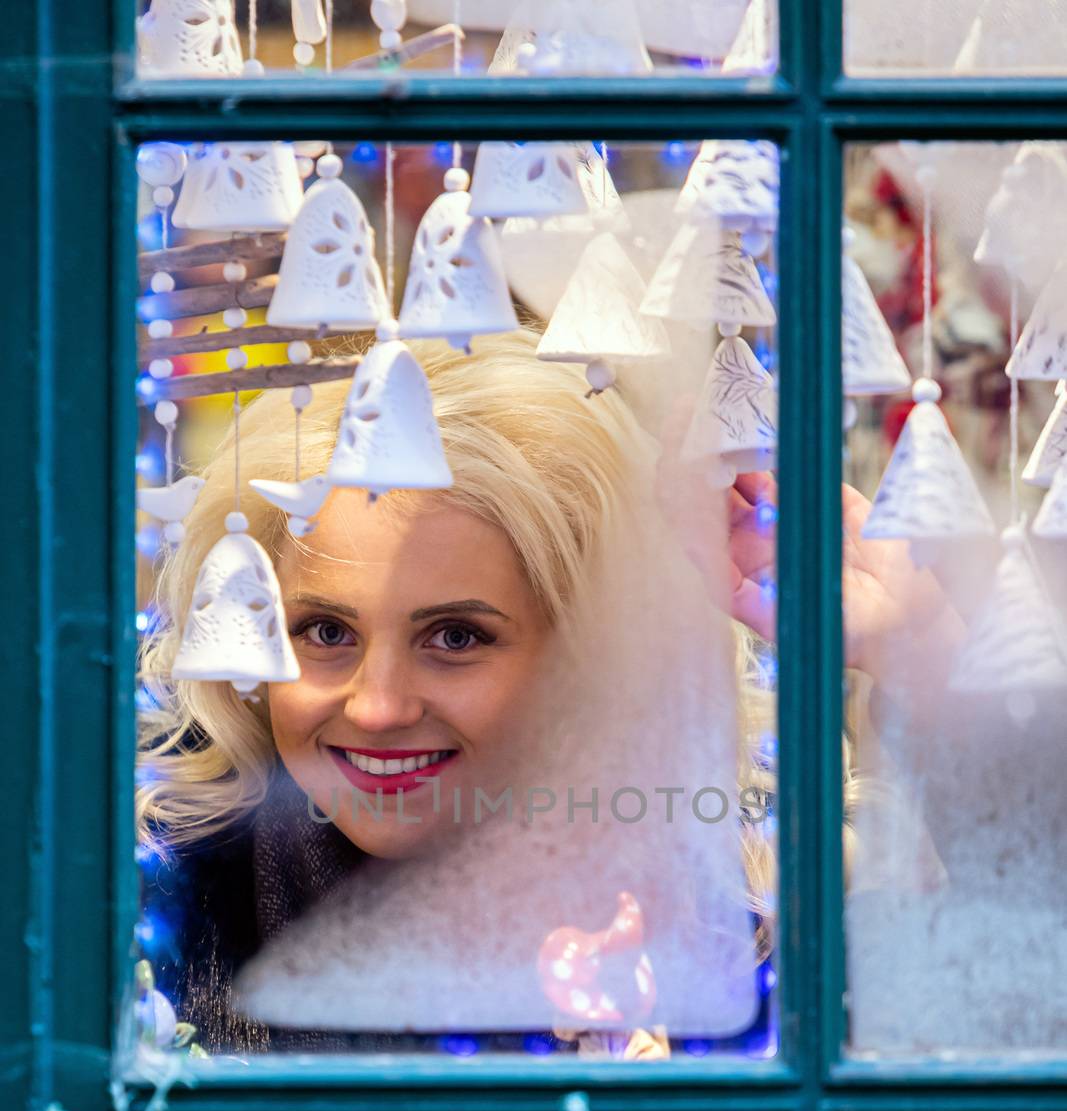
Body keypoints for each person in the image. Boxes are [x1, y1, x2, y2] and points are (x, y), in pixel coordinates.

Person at [138, 330, 961, 1055]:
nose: (376, 707)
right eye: (324, 633)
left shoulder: (770, 891)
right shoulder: (148, 890)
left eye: (455, 638)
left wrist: (924, 658)